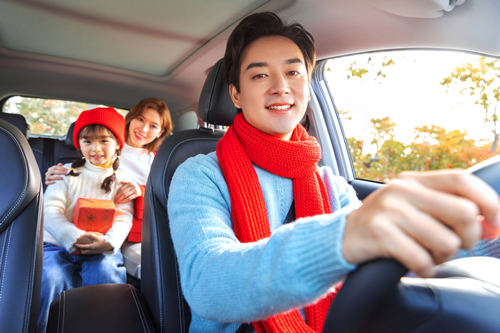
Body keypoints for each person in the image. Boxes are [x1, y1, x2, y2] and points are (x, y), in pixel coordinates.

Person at [167, 12, 500, 333]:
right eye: (259, 75)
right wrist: (345, 237)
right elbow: (207, 282)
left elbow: (402, 258)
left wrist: (485, 229)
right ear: (236, 94)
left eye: (293, 73)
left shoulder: (330, 184)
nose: (281, 86)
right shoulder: (199, 174)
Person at [45, 97, 173, 278]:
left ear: (161, 132)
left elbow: (164, 199)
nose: (144, 129)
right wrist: (57, 173)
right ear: (131, 119)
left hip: (124, 232)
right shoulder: (95, 156)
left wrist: (140, 192)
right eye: (141, 119)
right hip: (73, 230)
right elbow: (78, 175)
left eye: (153, 126)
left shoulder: (158, 161)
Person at [37, 107, 134, 332]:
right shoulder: (65, 173)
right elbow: (51, 210)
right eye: (87, 141)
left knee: (107, 273)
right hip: (57, 244)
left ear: (118, 144)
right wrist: (73, 237)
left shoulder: (123, 182)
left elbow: (123, 216)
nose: (95, 148)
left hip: (102, 247)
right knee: (50, 276)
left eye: (104, 140)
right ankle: (42, 326)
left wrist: (109, 242)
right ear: (79, 144)